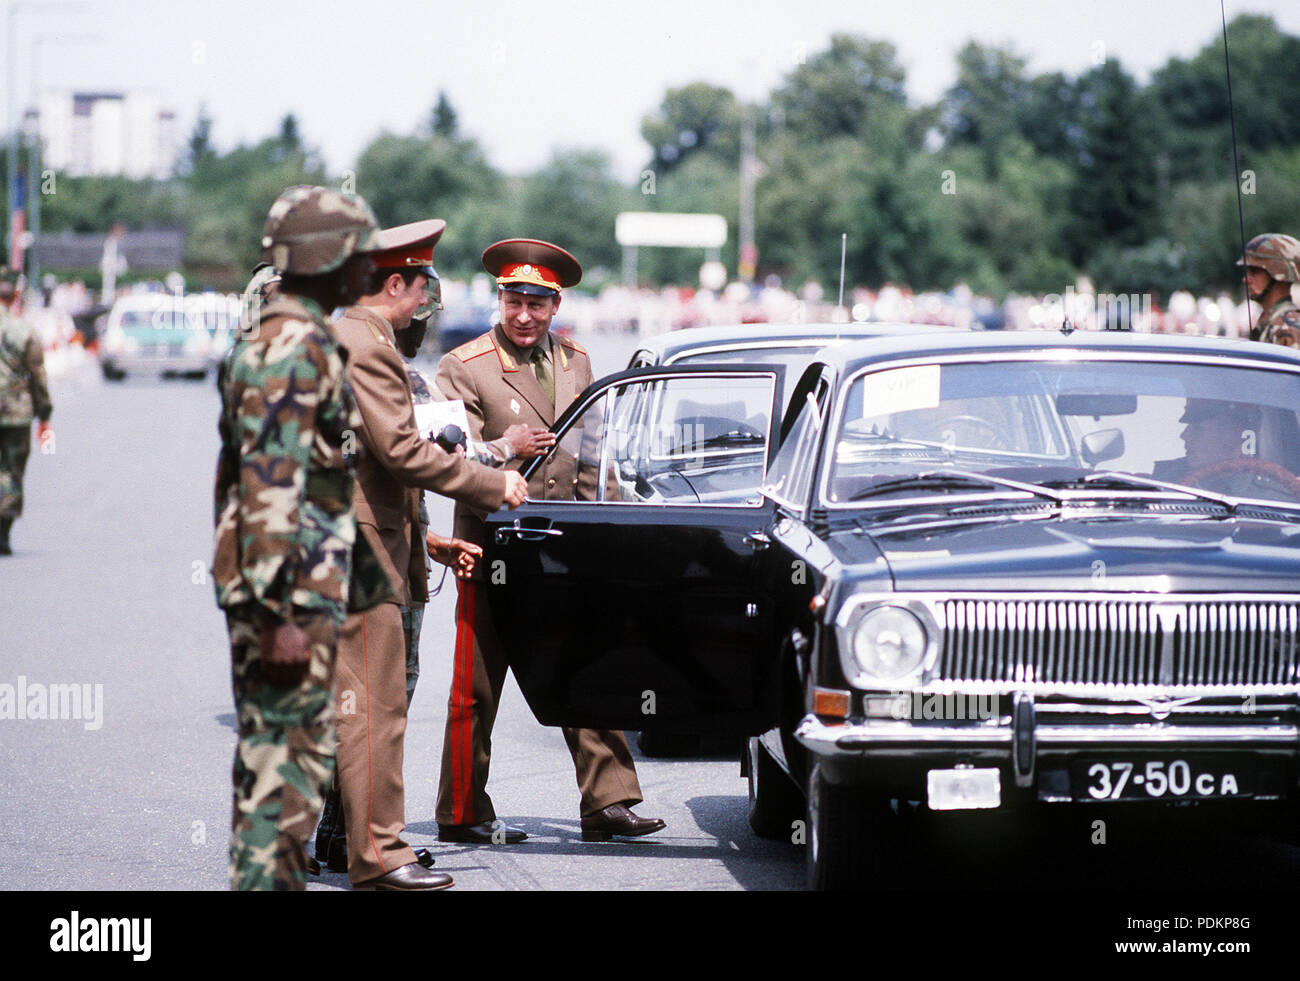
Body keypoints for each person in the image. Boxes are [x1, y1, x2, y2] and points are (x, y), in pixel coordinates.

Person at [434, 238, 666, 844]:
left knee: (587, 668)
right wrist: (507, 451)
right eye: (514, 300)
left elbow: (594, 457)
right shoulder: (465, 365)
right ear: (501, 299)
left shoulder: (576, 361)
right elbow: (450, 462)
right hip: (493, 549)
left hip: (566, 548)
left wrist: (615, 528)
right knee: (477, 689)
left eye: (538, 303)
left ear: (556, 304)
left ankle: (607, 802)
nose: (524, 315)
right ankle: (462, 812)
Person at [328, 219, 528, 890]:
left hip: (371, 544)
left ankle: (371, 846)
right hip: (362, 552)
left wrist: (432, 541)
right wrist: (494, 481)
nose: (425, 304)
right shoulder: (367, 345)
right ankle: (378, 854)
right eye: (421, 288)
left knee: (375, 707)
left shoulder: (356, 338)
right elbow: (400, 452)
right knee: (374, 708)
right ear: (395, 283)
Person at [213, 185, 390, 890]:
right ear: (330, 257)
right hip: (286, 597)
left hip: (295, 586)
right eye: (361, 250)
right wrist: (281, 612)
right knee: (282, 777)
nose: (371, 267)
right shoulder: (292, 345)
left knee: (281, 766)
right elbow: (268, 485)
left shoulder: (286, 336)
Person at [0, 273, 52, 555]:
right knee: (11, 470)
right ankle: (3, 530)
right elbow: (37, 376)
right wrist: (44, 414)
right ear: (15, 296)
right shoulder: (24, 330)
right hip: (15, 412)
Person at [1237, 233, 1300, 345]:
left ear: (1279, 274)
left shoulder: (1287, 328)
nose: (1245, 279)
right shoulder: (1271, 322)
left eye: (1254, 271)